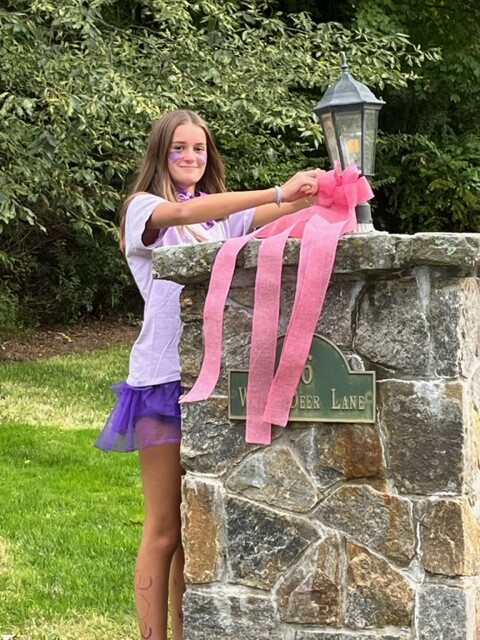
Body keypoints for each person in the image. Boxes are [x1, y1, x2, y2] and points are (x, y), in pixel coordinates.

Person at [95, 108, 321, 640]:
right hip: (161, 381)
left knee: (192, 526)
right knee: (164, 528)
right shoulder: (143, 209)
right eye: (179, 148)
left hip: (210, 379)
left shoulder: (219, 220)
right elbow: (246, 206)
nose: (190, 157)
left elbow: (289, 213)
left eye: (199, 148)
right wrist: (277, 191)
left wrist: (332, 185)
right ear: (160, 154)